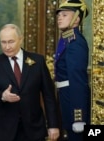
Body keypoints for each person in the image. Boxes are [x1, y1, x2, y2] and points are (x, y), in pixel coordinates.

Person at [0, 24, 60, 141]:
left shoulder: (38, 61)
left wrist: (53, 125)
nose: (7, 47)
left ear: (21, 39)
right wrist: (2, 96)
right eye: (3, 42)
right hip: (5, 129)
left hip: (34, 128)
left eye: (11, 42)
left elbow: (49, 96)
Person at [55, 0, 90, 140]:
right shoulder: (67, 39)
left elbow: (78, 80)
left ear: (76, 19)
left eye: (64, 15)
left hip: (72, 98)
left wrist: (78, 116)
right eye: (59, 15)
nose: (59, 18)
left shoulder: (76, 42)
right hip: (66, 96)